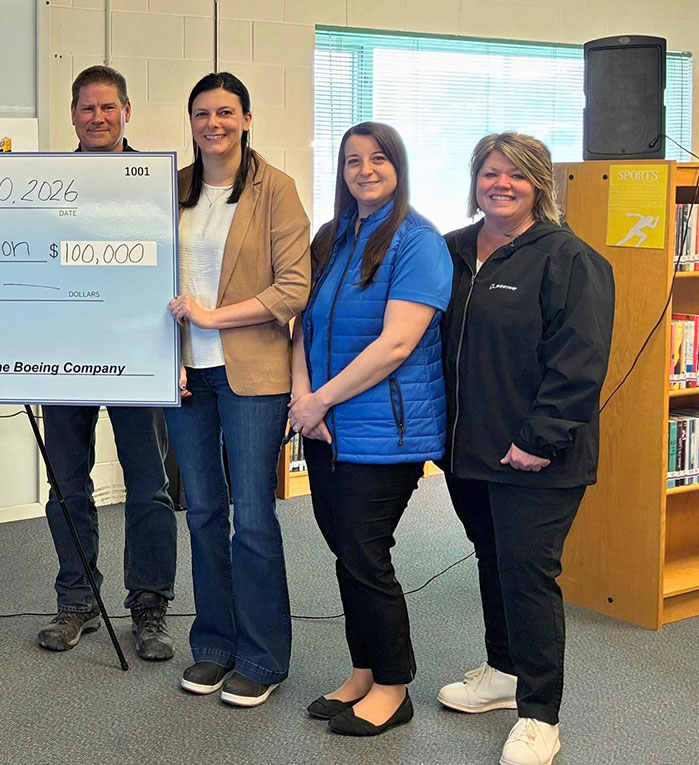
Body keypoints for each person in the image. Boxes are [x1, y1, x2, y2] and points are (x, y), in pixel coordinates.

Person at [437, 132, 614, 765]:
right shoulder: (454, 251)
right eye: (489, 172)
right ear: (475, 179)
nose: (501, 183)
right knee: (492, 558)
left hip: (540, 456)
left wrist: (539, 440)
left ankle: (541, 713)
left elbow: (580, 361)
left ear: (540, 182)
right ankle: (505, 673)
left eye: (515, 174)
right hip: (468, 451)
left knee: (528, 574)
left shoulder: (571, 260)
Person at [288, 122, 451, 736]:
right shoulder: (333, 236)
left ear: (399, 167)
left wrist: (320, 400)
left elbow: (397, 343)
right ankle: (362, 673)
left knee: (365, 554)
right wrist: (306, 398)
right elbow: (301, 324)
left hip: (388, 434)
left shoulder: (418, 242)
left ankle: (393, 687)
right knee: (346, 557)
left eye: (378, 159)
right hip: (326, 424)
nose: (365, 170)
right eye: (353, 161)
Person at [163, 72, 310, 708]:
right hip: (185, 374)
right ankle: (214, 647)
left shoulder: (275, 189)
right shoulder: (175, 189)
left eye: (226, 112)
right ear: (190, 121)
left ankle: (262, 657)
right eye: (202, 113)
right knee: (201, 513)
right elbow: (151, 283)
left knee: (251, 515)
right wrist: (160, 355)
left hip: (251, 372)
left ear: (247, 119)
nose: (213, 123)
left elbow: (293, 287)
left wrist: (213, 318)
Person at [36, 65, 178, 662]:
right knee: (68, 485)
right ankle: (77, 602)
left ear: (127, 113)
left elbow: (173, 267)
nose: (98, 117)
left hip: (137, 357)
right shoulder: (45, 186)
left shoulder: (156, 183)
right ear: (73, 116)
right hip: (63, 356)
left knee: (149, 488)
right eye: (87, 109)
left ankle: (149, 606)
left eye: (108, 107)